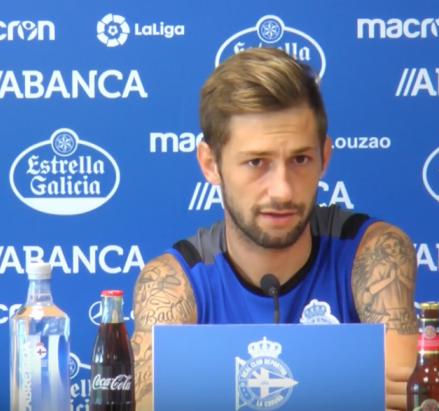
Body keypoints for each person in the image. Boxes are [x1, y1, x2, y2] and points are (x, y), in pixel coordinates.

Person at [131, 48, 417, 411]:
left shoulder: (375, 250)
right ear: (210, 164)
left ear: (325, 158)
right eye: (256, 162)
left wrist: (213, 389)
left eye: (300, 159)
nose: (282, 190)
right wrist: (349, 383)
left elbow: (407, 397)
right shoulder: (171, 282)